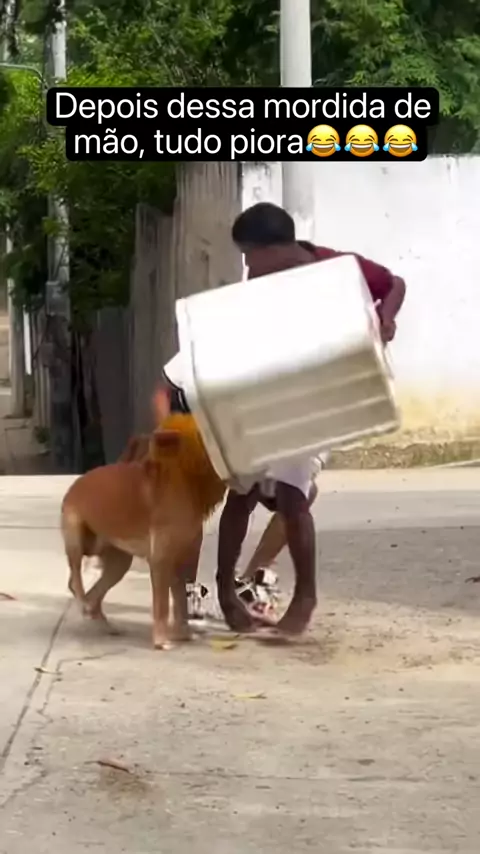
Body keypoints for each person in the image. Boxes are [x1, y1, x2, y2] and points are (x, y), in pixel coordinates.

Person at [163, 202, 406, 633]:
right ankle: (226, 592)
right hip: (267, 399)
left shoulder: (336, 269)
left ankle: (305, 597)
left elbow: (394, 283)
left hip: (317, 400)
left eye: (248, 254)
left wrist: (385, 318)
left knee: (294, 499)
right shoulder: (259, 283)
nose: (246, 265)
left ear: (273, 248)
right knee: (241, 492)